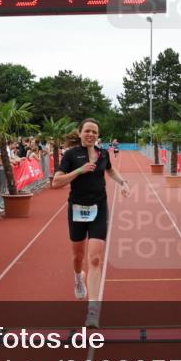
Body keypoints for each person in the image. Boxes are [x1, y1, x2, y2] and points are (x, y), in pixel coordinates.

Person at [51, 118, 130, 327]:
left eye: (94, 132)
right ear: (80, 133)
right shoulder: (70, 155)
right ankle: (78, 277)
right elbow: (55, 182)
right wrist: (79, 171)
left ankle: (93, 311)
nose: (91, 134)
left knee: (95, 259)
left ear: (98, 135)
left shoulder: (103, 154)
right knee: (78, 257)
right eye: (87, 131)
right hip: (76, 209)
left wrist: (123, 183)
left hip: (99, 208)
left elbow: (110, 170)